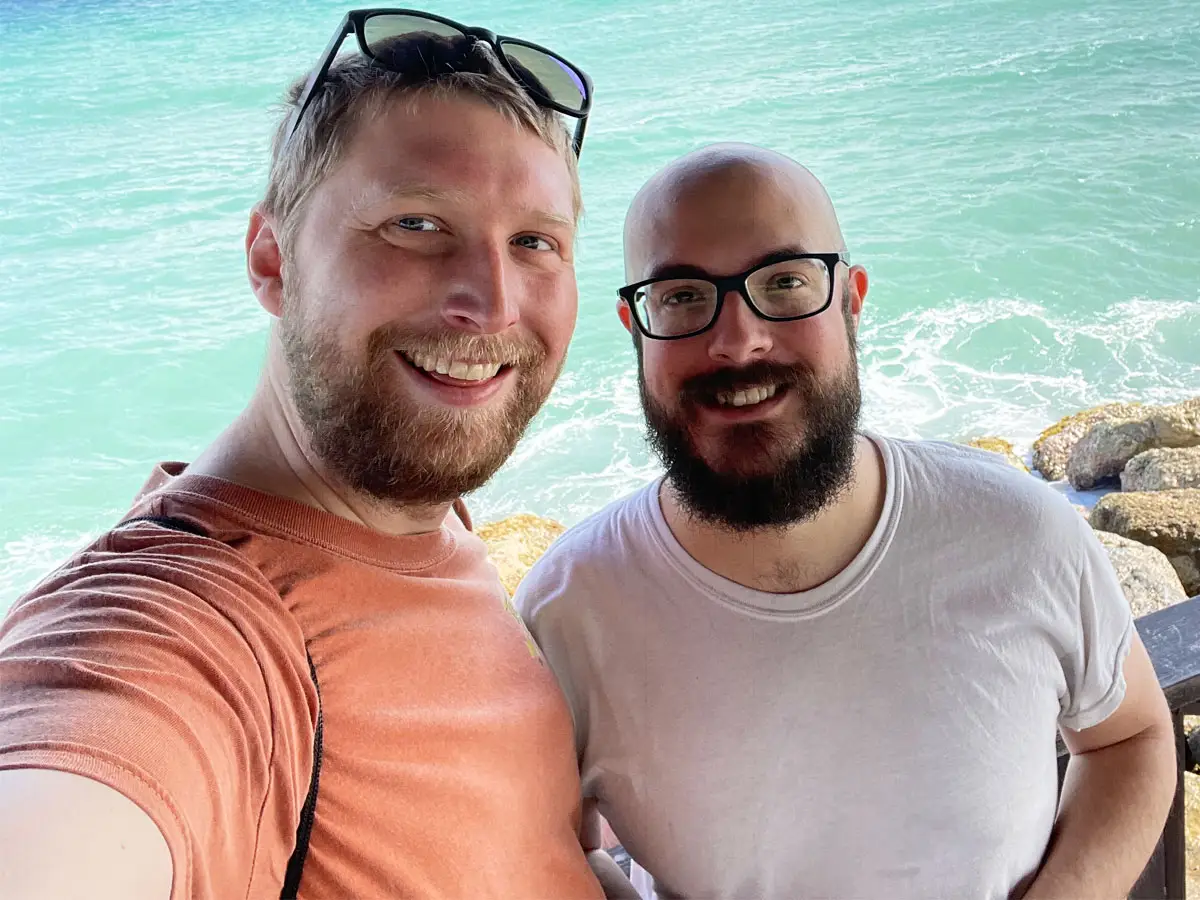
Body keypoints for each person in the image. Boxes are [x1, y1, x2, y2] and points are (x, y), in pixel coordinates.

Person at [0, 11, 633, 899]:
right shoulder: (194, 623)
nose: (491, 304)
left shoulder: (417, 501)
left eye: (535, 241)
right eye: (416, 223)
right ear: (272, 260)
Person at [516, 143, 1178, 900]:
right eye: (682, 297)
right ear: (635, 326)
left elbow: (1130, 736)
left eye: (786, 282)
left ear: (851, 299)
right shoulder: (568, 612)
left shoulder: (1023, 530)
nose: (737, 340)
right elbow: (545, 851)